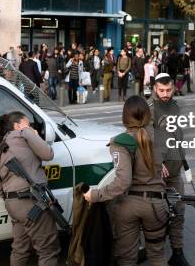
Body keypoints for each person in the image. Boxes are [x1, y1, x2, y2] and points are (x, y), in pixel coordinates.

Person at [83, 96, 169, 265]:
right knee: (157, 256)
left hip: (129, 205)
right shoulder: (161, 137)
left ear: (125, 117)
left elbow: (123, 181)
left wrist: (96, 195)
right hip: (157, 204)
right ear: (147, 114)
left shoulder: (121, 141)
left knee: (126, 258)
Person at [0, 113, 60, 266]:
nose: (31, 128)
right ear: (18, 125)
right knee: (48, 250)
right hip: (32, 203)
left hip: (13, 206)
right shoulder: (24, 133)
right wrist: (34, 135)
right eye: (28, 124)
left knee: (20, 249)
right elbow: (48, 154)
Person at [148, 74, 191, 266]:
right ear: (155, 89)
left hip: (175, 172)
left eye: (168, 90)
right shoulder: (149, 109)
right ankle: (157, 256)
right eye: (161, 90)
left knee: (178, 211)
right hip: (158, 174)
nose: (165, 94)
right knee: (157, 215)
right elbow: (146, 138)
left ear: (173, 88)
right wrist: (158, 162)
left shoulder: (175, 106)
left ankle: (178, 252)